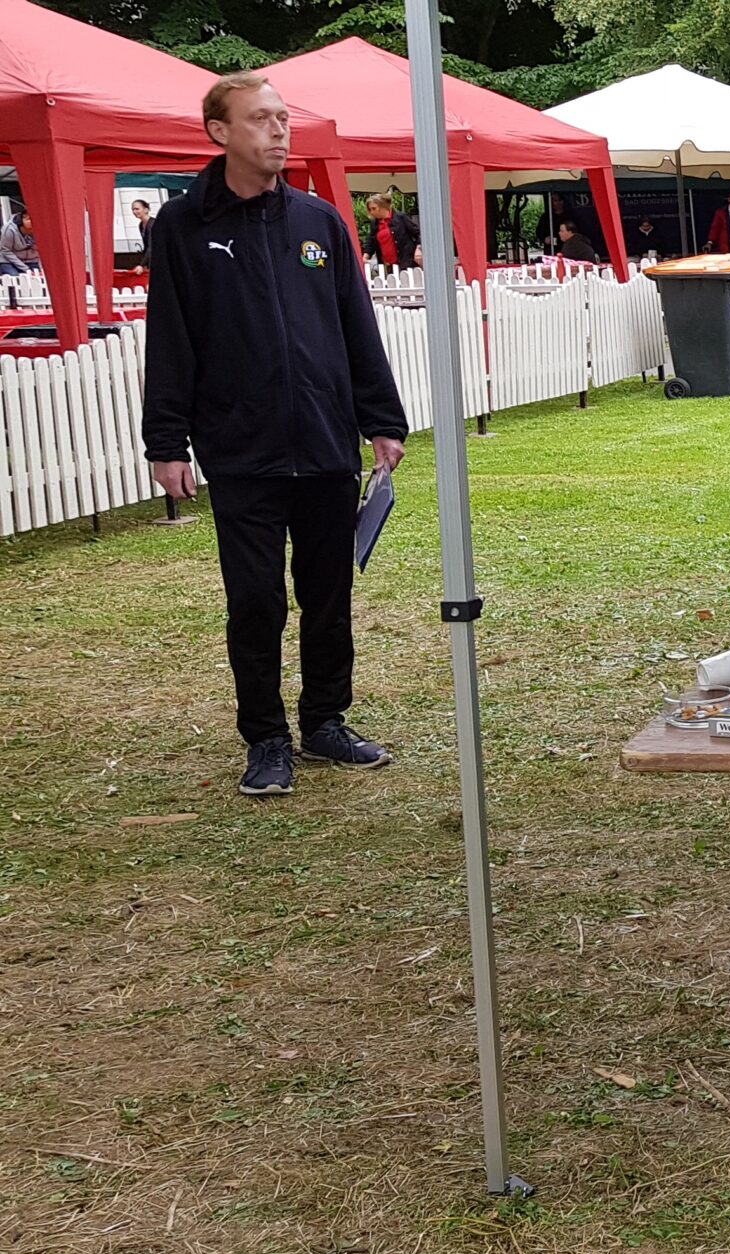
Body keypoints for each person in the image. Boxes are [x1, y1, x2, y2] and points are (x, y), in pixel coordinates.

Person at [142, 72, 408, 798]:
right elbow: (170, 339)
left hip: (324, 443)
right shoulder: (184, 227)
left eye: (283, 118)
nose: (279, 131)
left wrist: (382, 419)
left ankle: (325, 721)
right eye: (260, 119)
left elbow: (355, 325)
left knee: (327, 596)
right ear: (219, 131)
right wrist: (166, 442)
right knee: (256, 601)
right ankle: (265, 738)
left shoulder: (319, 221)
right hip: (242, 450)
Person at [363, 192, 419, 269]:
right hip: (388, 266)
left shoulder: (400, 217)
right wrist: (366, 255)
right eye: (370, 209)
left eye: (374, 208)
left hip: (406, 263)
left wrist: (418, 248)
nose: (371, 212)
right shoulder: (375, 224)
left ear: (383, 206)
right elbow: (371, 241)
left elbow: (417, 233)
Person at [0, 208, 38, 275]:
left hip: (31, 260)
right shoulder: (9, 230)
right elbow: (5, 250)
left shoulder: (41, 228)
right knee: (15, 277)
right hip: (8, 260)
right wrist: (25, 269)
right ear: (21, 220)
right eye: (28, 219)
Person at [131, 198, 156, 263]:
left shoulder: (152, 224)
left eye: (137, 209)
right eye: (133, 209)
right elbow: (146, 245)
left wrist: (142, 264)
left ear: (146, 210)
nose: (134, 212)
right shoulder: (141, 225)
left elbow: (152, 245)